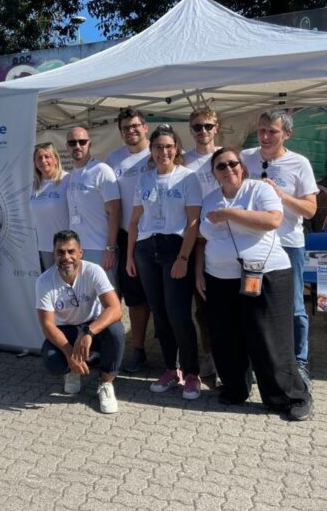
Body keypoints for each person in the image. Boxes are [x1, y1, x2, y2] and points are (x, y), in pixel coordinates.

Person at [195, 148, 313, 420]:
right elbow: (205, 233)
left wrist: (228, 215)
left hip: (266, 274)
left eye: (233, 163)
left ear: (242, 166)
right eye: (221, 166)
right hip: (220, 276)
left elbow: (271, 220)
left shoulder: (260, 190)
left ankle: (289, 396)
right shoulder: (211, 198)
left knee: (268, 338)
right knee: (226, 337)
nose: (228, 169)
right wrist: (200, 271)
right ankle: (235, 390)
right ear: (214, 173)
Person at [241, 109, 318, 387]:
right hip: (254, 246)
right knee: (252, 301)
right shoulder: (245, 158)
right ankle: (254, 360)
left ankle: (298, 362)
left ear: (287, 134)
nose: (264, 136)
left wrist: (282, 195)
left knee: (295, 305)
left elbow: (310, 210)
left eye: (272, 131)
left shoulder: (300, 163)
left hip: (288, 246)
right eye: (261, 130)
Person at [126, 124, 203, 399]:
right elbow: (134, 221)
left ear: (176, 149)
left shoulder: (188, 178)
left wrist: (183, 257)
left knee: (179, 315)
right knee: (159, 314)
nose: (163, 152)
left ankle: (192, 373)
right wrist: (129, 257)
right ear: (152, 150)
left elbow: (193, 222)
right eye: (158, 147)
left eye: (169, 146)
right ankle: (172, 370)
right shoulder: (144, 179)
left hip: (174, 248)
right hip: (146, 250)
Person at [36, 230, 125, 414]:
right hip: (65, 330)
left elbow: (116, 309)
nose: (66, 257)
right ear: (54, 254)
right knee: (53, 361)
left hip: (91, 326)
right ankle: (72, 371)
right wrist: (69, 353)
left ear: (80, 253)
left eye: (71, 251)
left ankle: (106, 383)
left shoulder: (94, 270)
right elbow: (48, 325)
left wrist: (89, 332)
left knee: (116, 332)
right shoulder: (44, 281)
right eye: (60, 252)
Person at [105, 107, 151, 373]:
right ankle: (138, 349)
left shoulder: (157, 154)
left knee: (157, 298)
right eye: (125, 128)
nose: (131, 131)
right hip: (124, 236)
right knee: (132, 297)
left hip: (154, 235)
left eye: (135, 126)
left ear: (145, 127)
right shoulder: (113, 159)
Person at [182, 108, 221, 380]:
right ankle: (208, 354)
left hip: (226, 237)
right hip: (195, 240)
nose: (203, 131)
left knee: (227, 302)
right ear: (190, 129)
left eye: (207, 126)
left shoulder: (227, 158)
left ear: (216, 127)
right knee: (202, 304)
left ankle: (228, 356)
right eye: (197, 127)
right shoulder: (183, 160)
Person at [64, 126, 120, 284]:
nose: (77, 146)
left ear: (90, 144)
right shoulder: (72, 174)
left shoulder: (101, 170)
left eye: (82, 142)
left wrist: (110, 248)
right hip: (78, 249)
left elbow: (115, 212)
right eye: (72, 143)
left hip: (100, 248)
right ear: (67, 146)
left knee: (107, 299)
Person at [31, 143, 68, 271]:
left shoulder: (68, 180)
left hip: (65, 246)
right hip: (44, 247)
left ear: (56, 159)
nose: (43, 161)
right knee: (52, 287)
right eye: (39, 158)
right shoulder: (34, 186)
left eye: (47, 156)